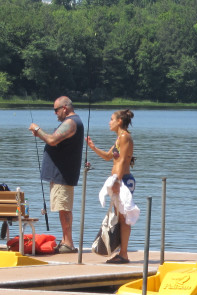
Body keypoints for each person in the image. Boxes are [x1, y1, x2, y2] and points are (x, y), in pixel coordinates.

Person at [29, 96, 84, 254]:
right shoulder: (70, 122)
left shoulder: (71, 122)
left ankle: (68, 243)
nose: (55, 114)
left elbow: (52, 140)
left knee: (64, 207)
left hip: (63, 173)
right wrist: (40, 135)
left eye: (56, 110)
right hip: (61, 173)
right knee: (62, 207)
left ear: (64, 108)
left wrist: (37, 130)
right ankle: (66, 241)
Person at [86, 109, 138, 264]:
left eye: (111, 119)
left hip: (124, 180)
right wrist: (93, 147)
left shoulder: (125, 137)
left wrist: (117, 180)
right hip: (118, 179)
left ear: (119, 121)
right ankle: (121, 252)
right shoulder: (119, 138)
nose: (109, 122)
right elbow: (109, 157)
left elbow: (122, 161)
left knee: (124, 218)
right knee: (119, 216)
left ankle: (124, 254)